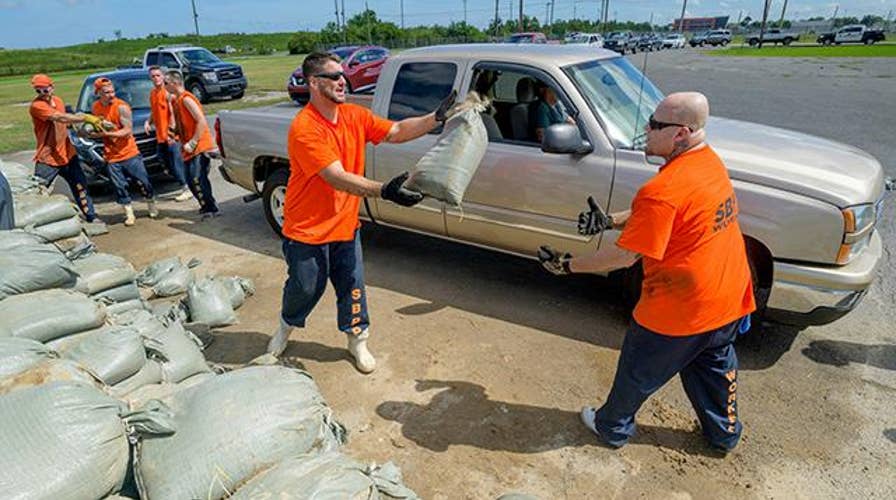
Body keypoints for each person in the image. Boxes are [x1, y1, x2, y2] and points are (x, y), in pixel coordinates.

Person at [538, 92, 756, 452]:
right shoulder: (709, 162)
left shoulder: (663, 189)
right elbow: (671, 215)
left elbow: (624, 257)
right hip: (728, 297)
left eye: (655, 124)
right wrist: (610, 220)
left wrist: (566, 265)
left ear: (681, 133)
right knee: (714, 369)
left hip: (679, 309)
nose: (646, 129)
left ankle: (611, 427)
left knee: (637, 372)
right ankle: (724, 434)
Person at [267, 51, 457, 373]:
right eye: (334, 76)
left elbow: (396, 131)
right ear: (314, 83)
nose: (344, 81)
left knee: (353, 286)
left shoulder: (354, 115)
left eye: (343, 75)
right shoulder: (305, 128)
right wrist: (385, 191)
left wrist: (434, 118)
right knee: (304, 287)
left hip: (344, 225)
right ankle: (286, 326)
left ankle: (358, 340)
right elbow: (335, 176)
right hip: (307, 229)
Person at [28, 73, 99, 222]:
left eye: (44, 90)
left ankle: (91, 216)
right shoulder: (37, 106)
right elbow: (59, 117)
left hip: (68, 154)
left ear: (52, 87)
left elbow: (66, 123)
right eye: (38, 91)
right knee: (37, 190)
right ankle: (36, 221)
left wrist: (82, 130)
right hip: (48, 157)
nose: (42, 94)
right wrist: (85, 117)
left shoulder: (58, 101)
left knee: (81, 187)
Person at [91, 77, 157, 226]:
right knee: (119, 185)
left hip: (129, 152)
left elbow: (127, 131)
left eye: (112, 91)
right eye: (106, 92)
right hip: (111, 155)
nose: (111, 95)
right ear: (98, 93)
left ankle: (151, 202)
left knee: (143, 181)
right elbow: (97, 126)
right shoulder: (96, 107)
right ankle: (129, 213)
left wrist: (106, 134)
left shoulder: (122, 107)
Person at [163, 70, 219, 217]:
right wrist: (173, 131)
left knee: (197, 178)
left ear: (175, 83)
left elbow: (201, 120)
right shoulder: (177, 101)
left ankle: (211, 208)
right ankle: (205, 205)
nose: (164, 86)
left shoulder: (187, 99)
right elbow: (183, 123)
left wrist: (193, 142)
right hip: (188, 147)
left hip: (198, 145)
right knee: (190, 179)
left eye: (166, 83)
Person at [144, 66, 192, 202]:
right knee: (163, 160)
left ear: (163, 76)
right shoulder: (153, 93)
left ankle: (186, 188)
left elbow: (172, 113)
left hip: (171, 136)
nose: (156, 78)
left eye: (158, 75)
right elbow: (154, 110)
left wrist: (172, 133)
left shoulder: (168, 93)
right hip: (160, 136)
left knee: (176, 162)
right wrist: (148, 122)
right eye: (153, 76)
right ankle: (184, 183)